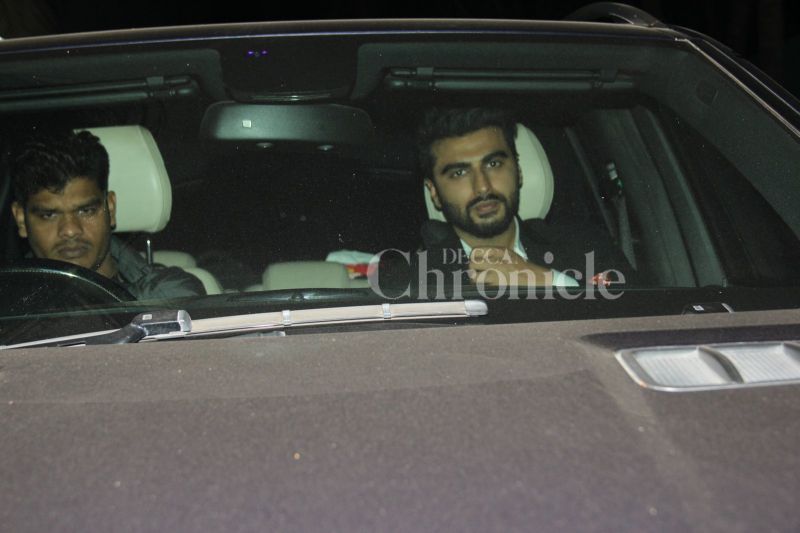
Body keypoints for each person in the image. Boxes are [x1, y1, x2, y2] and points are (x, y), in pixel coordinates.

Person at [414, 107, 630, 292]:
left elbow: (637, 318)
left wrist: (550, 281)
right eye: (459, 173)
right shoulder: (412, 281)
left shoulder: (587, 248)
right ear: (434, 192)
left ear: (518, 171)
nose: (482, 186)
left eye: (493, 164)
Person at [10, 130, 205, 300]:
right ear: (21, 219)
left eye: (86, 211)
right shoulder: (9, 305)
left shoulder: (164, 297)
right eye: (49, 215)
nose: (70, 230)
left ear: (110, 209)